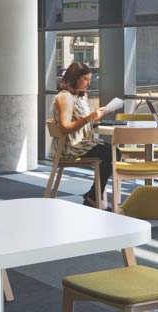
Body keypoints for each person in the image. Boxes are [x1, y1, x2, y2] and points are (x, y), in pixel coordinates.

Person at [51, 61, 120, 209]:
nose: (88, 83)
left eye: (89, 79)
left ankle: (93, 196)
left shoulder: (81, 96)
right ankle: (93, 197)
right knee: (111, 154)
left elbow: (83, 121)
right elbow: (65, 127)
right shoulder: (65, 97)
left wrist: (95, 118)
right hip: (70, 147)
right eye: (85, 79)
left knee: (114, 152)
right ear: (75, 78)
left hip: (82, 143)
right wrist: (89, 118)